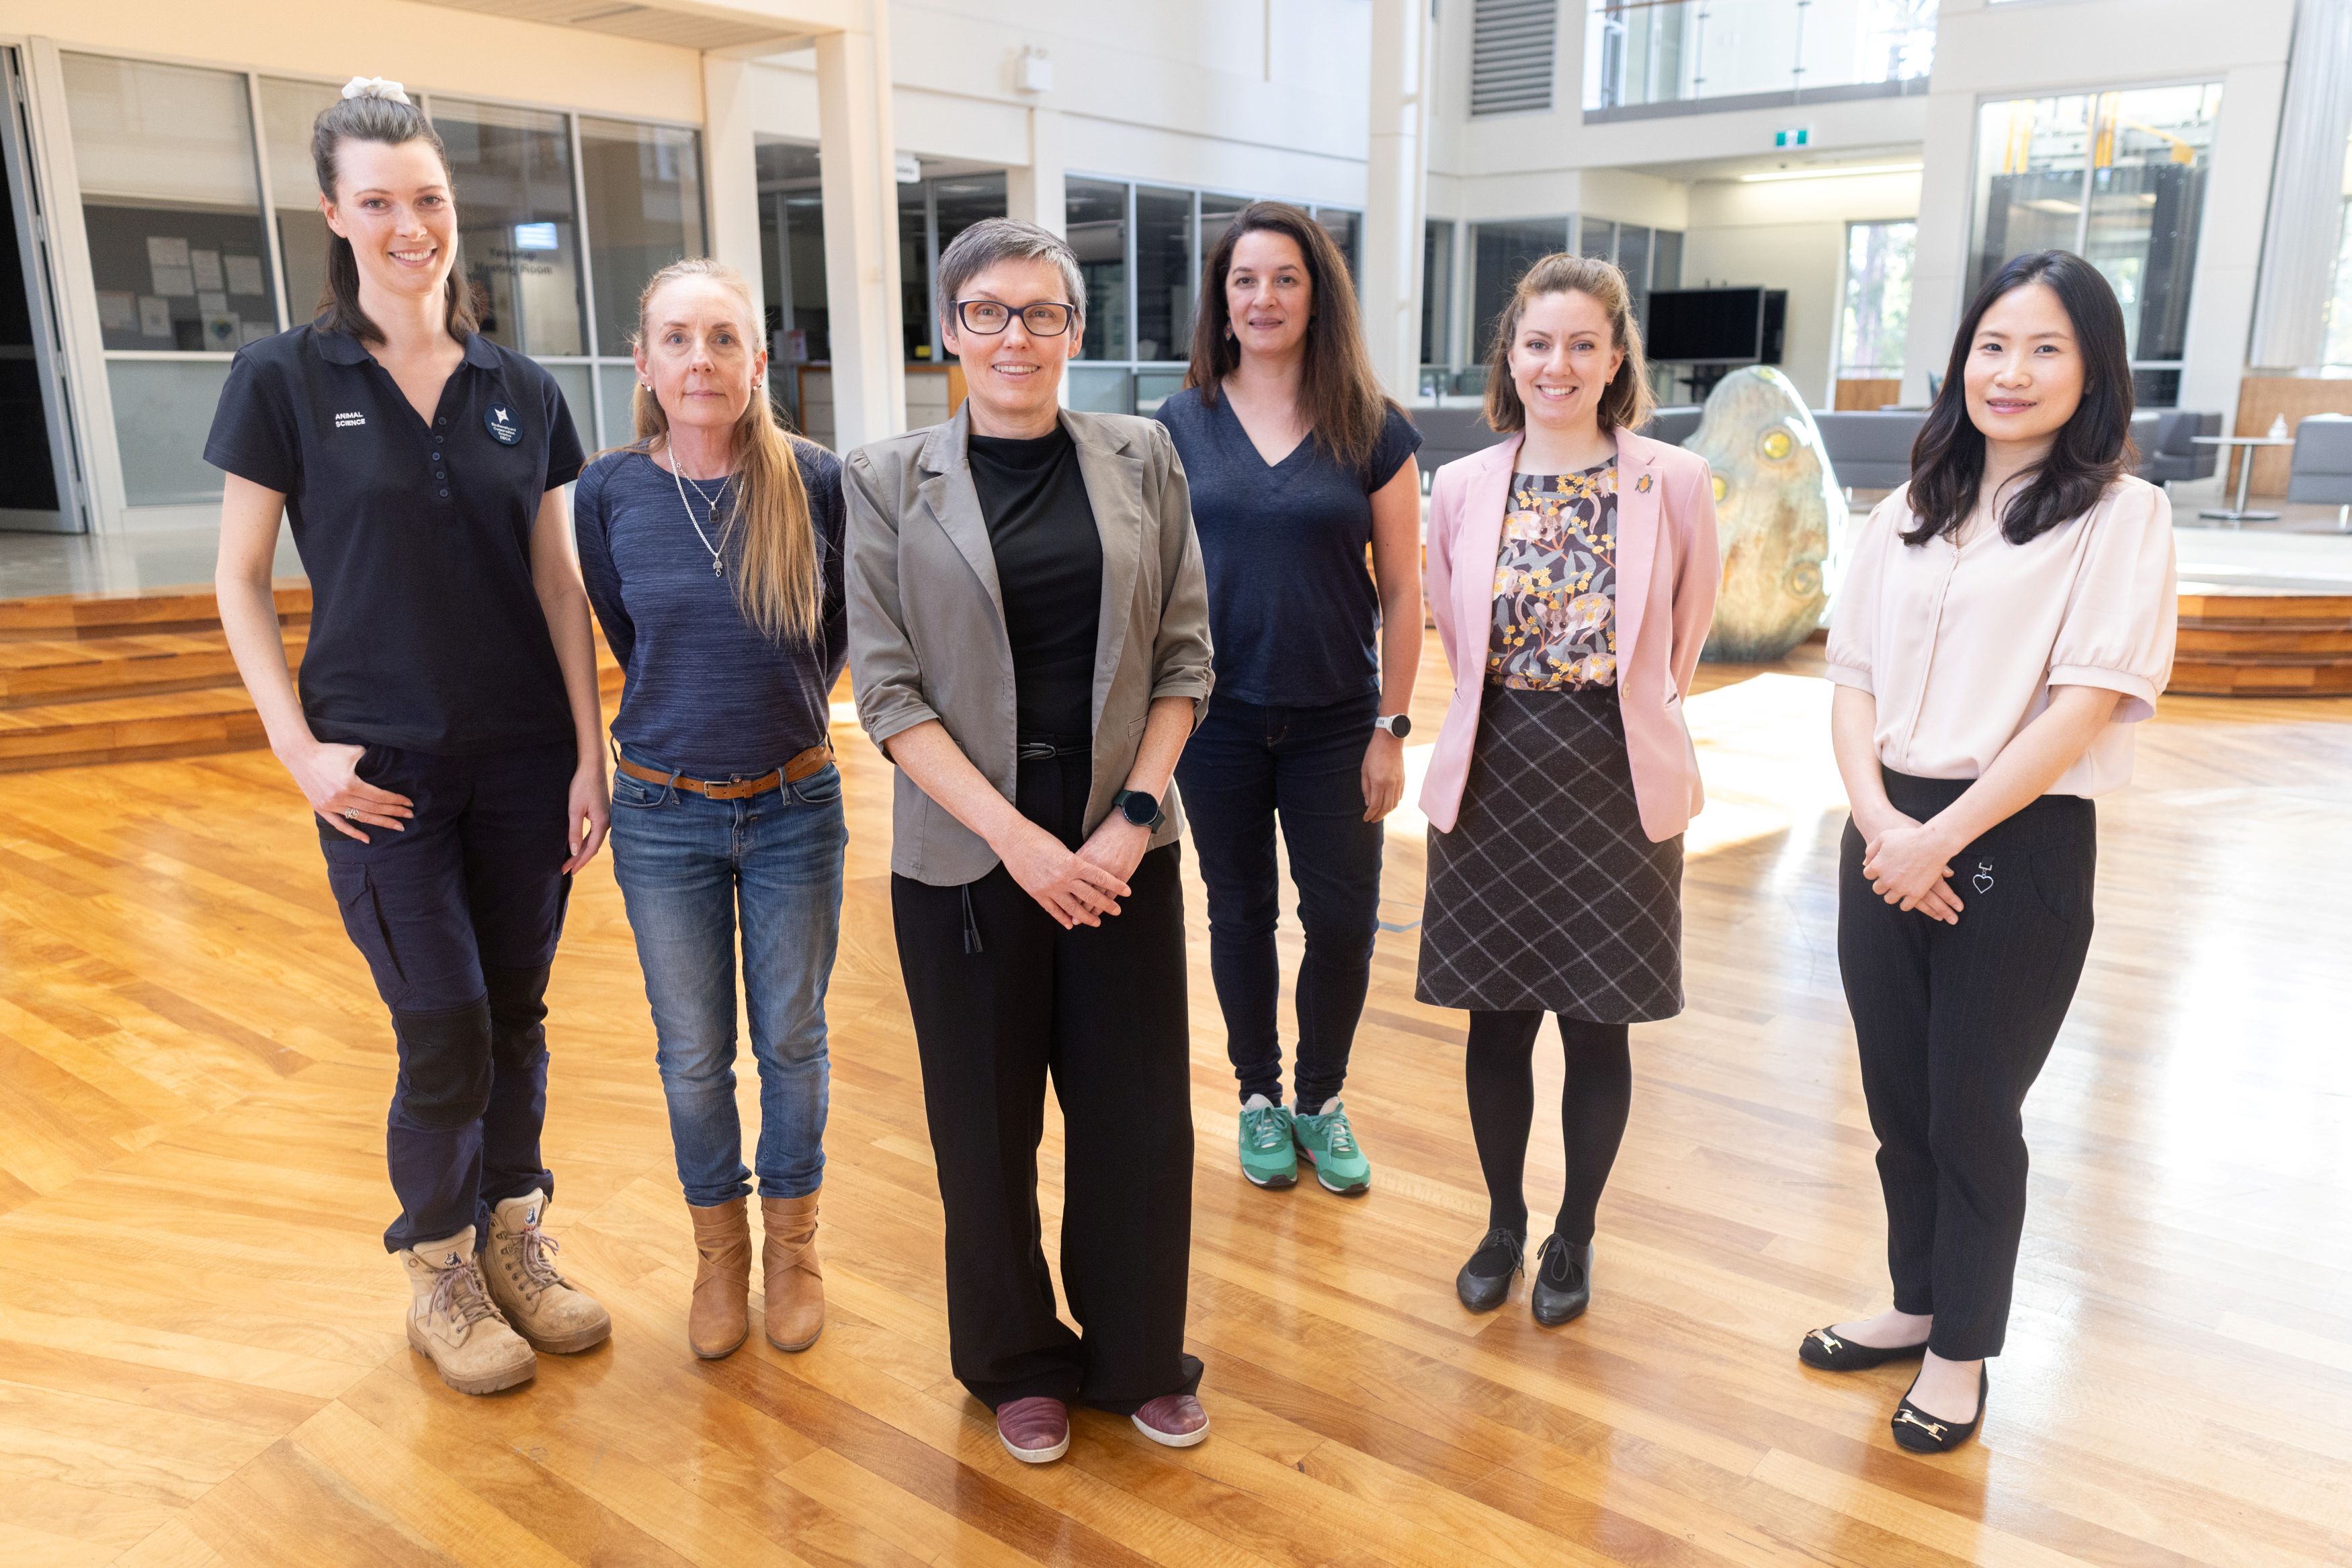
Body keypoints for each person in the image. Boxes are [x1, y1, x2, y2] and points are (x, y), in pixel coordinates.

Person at [207, 77, 611, 1397]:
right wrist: (297, 751)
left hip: (523, 763)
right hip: (378, 773)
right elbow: (238, 580)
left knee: (517, 1017)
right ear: (335, 212)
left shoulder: (522, 387)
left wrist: (588, 750)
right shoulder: (279, 375)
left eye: (425, 198)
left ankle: (515, 1238)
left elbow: (558, 581)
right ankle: (437, 1265)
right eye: (376, 202)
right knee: (440, 1024)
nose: (407, 224)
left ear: (451, 209)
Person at [844, 218, 1215, 1465]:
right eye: (990, 312)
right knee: (985, 1126)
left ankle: (1134, 1353)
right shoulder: (886, 477)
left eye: (1042, 312)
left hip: (1123, 850)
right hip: (966, 859)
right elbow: (888, 694)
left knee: (1139, 1116)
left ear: (1074, 329)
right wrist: (1021, 843)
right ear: (950, 329)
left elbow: (1185, 655)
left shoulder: (1143, 456)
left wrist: (1130, 819)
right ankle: (1015, 1359)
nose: (1017, 335)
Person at [1800, 251, 2177, 1454]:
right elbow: (1849, 683)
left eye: (2046, 348)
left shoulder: (2124, 515)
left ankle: (1963, 1348)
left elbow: (2082, 706)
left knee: (1973, 1106)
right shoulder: (1906, 507)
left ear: (2093, 369)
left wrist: (1938, 836)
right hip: (1888, 831)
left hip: (2017, 833)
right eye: (1993, 345)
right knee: (1898, 1104)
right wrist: (1881, 827)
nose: (2011, 372)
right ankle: (1915, 1302)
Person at [1415, 253, 1718, 1329]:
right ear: (1511, 353)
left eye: (1583, 343)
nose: (1560, 363)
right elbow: (1454, 634)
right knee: (1495, 1024)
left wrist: (1628, 710)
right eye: (1539, 343)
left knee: (1600, 1025)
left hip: (1615, 774)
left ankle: (1574, 1231)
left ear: (1616, 356)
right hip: (1495, 770)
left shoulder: (1671, 482)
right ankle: (1503, 1220)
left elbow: (1683, 633)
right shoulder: (1457, 487)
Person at [573, 259, 847, 1362]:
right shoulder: (608, 493)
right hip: (662, 816)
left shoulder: (817, 483)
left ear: (758, 360)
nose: (701, 360)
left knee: (792, 1041)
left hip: (793, 805)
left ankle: (793, 1246)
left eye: (723, 339)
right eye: (678, 339)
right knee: (692, 1054)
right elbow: (627, 641)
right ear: (643, 362)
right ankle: (719, 1254)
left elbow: (829, 644)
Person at [1153, 202, 1423, 1196]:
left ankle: (1321, 1097)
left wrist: (1393, 728)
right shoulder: (1178, 424)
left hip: (1337, 722)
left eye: (1285, 279)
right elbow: (1154, 583)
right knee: (1239, 911)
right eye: (1244, 280)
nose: (1262, 298)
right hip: (1216, 721)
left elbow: (1404, 591)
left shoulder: (1373, 425)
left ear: (1319, 297)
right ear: (1222, 302)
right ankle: (1259, 1096)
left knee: (1344, 919)